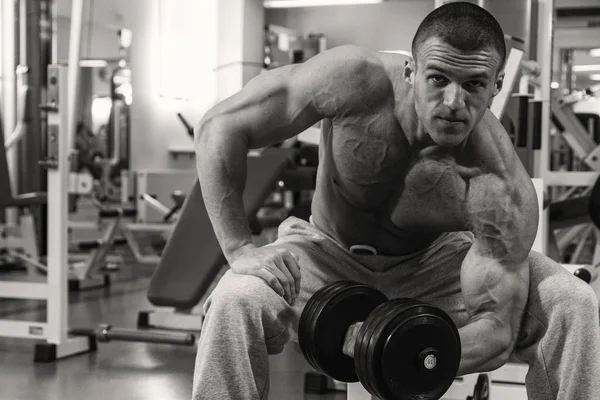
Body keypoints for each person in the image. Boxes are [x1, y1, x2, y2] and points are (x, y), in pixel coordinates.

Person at [191, 2, 600, 399]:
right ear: (411, 70)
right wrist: (239, 247)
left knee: (572, 301)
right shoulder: (354, 80)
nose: (454, 103)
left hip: (434, 267)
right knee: (234, 299)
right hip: (322, 255)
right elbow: (220, 127)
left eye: (474, 84)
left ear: (495, 86)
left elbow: (497, 331)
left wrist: (402, 351)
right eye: (438, 79)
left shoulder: (497, 183)